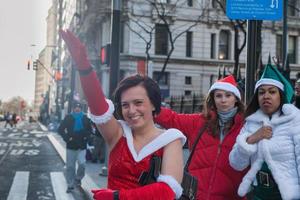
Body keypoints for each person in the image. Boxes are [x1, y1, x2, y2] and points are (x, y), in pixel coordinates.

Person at [60, 29, 186, 200]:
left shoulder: (171, 139)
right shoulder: (119, 133)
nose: (131, 111)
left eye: (138, 103)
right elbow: (98, 107)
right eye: (125, 105)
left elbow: (166, 192)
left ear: (154, 105)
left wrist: (117, 197)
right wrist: (83, 66)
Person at [155, 75, 248, 200]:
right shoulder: (199, 122)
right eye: (218, 96)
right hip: (195, 195)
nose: (223, 100)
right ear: (213, 99)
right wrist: (148, 108)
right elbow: (173, 118)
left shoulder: (247, 127)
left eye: (228, 95)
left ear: (236, 99)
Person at [229, 64, 300, 200]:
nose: (266, 96)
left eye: (272, 92)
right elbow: (236, 164)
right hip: (259, 195)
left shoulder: (295, 120)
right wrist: (251, 140)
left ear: (281, 95)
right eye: (261, 92)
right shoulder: (251, 123)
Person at [58, 101, 92, 193]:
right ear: (73, 108)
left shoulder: (85, 118)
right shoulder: (68, 117)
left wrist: (86, 137)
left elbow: (90, 130)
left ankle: (78, 178)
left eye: (79, 107)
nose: (77, 109)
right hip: (71, 145)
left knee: (82, 164)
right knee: (70, 166)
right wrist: (67, 138)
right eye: (75, 107)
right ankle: (70, 184)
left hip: (82, 145)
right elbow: (60, 129)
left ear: (81, 108)